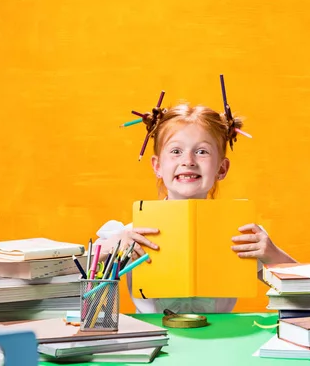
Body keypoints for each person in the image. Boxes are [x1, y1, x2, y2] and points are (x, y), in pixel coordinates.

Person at [95, 102, 296, 313]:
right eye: (176, 151)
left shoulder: (241, 233)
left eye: (202, 151)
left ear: (222, 168)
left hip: (220, 340)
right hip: (153, 340)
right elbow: (68, 279)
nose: (188, 161)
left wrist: (273, 255)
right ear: (157, 166)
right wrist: (107, 249)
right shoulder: (132, 233)